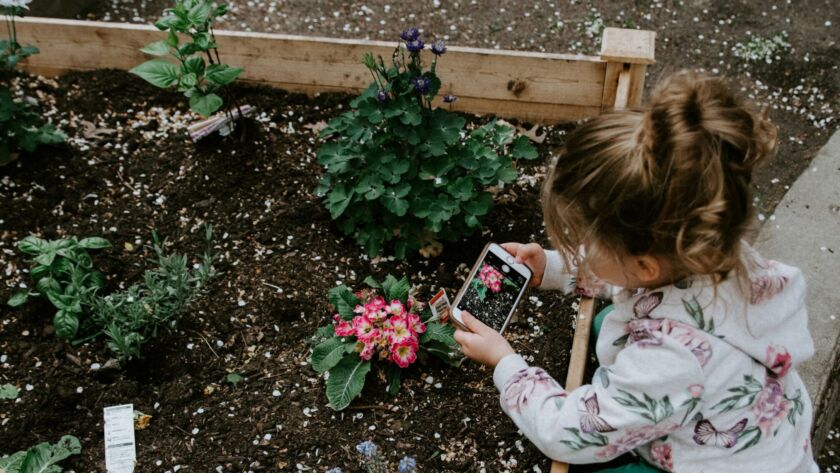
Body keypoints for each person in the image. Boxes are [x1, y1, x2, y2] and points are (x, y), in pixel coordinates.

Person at [453, 70, 817, 473]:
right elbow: (630, 277)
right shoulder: (710, 250)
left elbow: (568, 432)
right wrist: (554, 268)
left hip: (710, 462)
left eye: (585, 243)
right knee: (610, 319)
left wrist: (507, 364)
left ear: (645, 265)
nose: (579, 249)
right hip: (755, 433)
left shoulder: (670, 359)